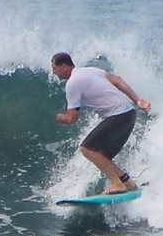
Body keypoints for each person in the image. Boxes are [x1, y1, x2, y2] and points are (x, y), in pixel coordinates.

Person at [51, 52, 151, 194]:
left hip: (118, 116)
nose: (53, 72)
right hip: (129, 114)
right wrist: (138, 100)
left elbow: (72, 119)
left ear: (64, 66)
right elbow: (117, 80)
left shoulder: (72, 83)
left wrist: (61, 118)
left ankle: (117, 184)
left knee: (87, 149)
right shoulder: (90, 70)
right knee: (101, 155)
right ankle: (127, 182)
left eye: (55, 68)